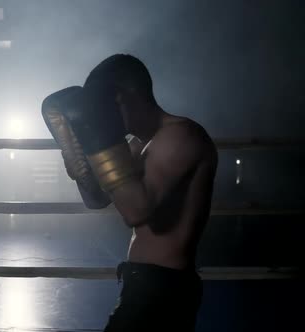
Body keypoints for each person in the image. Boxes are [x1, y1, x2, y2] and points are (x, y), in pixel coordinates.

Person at [42, 54, 217, 331]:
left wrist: (98, 144)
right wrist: (78, 165)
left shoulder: (181, 135)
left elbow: (136, 211)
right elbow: (97, 200)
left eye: (102, 106)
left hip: (165, 287)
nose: (100, 115)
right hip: (144, 282)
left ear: (124, 97)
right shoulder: (136, 145)